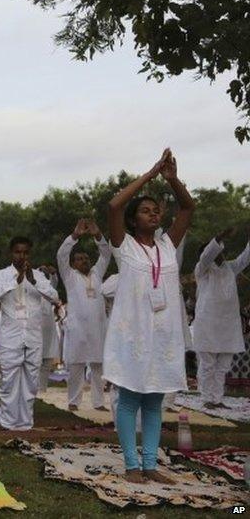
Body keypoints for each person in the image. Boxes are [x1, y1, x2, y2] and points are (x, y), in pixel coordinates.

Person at [105, 148, 193, 485]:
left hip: (163, 334)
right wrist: (152, 172)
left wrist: (172, 180)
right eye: (145, 210)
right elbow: (114, 205)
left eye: (157, 209)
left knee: (155, 399)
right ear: (133, 219)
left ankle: (150, 464)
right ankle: (131, 464)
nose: (153, 213)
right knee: (129, 398)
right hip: (133, 333)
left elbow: (187, 207)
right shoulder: (123, 246)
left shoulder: (167, 246)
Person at [0, 236, 60, 431]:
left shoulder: (38, 276)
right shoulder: (1, 274)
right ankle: (8, 422)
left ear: (30, 253)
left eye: (26, 252)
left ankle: (26, 423)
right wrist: (14, 281)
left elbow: (54, 297)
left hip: (33, 337)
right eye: (18, 252)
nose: (22, 256)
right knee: (9, 382)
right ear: (11, 253)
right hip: (10, 337)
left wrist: (34, 281)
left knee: (31, 382)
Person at [57, 219, 112, 411]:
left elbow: (106, 254)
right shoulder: (70, 276)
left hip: (98, 328)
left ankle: (98, 403)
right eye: (79, 259)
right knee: (76, 366)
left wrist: (98, 236)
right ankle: (73, 402)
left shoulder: (97, 273)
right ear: (73, 264)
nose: (85, 261)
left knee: (98, 367)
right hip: (78, 328)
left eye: (86, 258)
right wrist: (74, 237)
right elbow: (61, 255)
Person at [191, 227, 249, 408]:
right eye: (217, 250)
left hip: (228, 326)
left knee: (223, 366)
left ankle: (217, 398)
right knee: (208, 364)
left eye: (221, 251)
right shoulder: (202, 270)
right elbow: (206, 256)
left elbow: (246, 257)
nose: (220, 254)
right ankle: (206, 398)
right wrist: (219, 237)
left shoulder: (230, 268)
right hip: (207, 323)